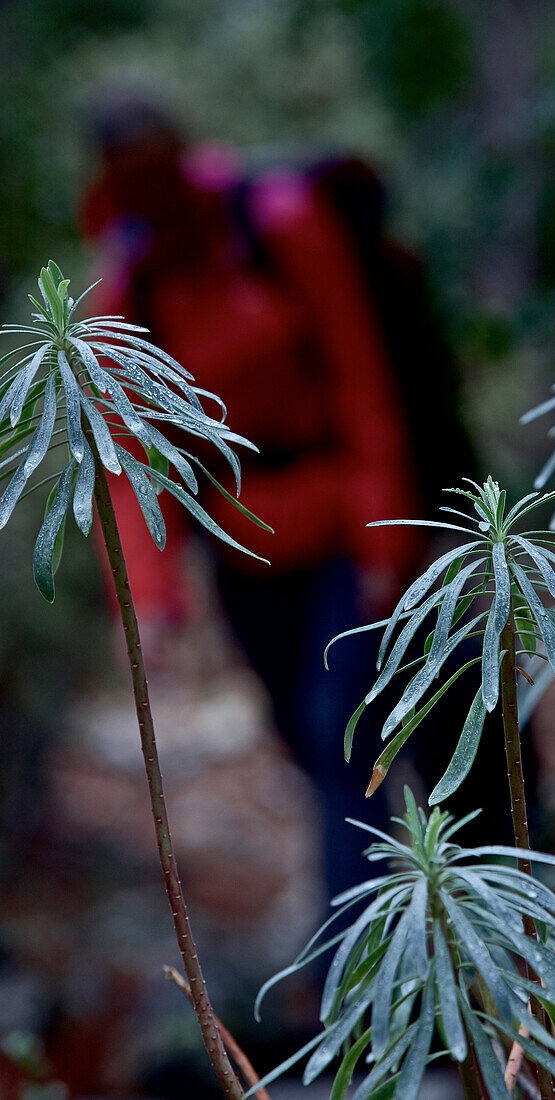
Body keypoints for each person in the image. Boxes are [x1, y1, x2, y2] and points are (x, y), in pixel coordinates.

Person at [80, 92, 424, 906]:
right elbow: (126, 463)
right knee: (311, 750)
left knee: (341, 737)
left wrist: (385, 542)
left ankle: (357, 980)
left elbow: (363, 382)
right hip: (243, 550)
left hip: (341, 525)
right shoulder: (129, 293)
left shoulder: (284, 225)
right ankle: (398, 919)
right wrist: (150, 606)